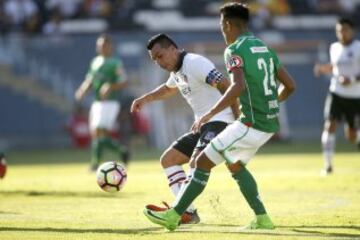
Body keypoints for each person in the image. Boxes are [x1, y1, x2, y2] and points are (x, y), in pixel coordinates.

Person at [143, 2, 296, 231]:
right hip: (269, 123)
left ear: (226, 24)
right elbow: (290, 86)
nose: (221, 31)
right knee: (236, 165)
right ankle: (262, 218)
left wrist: (211, 113)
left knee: (202, 161)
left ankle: (176, 214)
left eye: (220, 25)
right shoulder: (265, 48)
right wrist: (272, 104)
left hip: (250, 123)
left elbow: (236, 86)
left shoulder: (234, 50)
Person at [131, 33, 240, 224]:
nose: (158, 62)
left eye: (160, 55)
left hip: (221, 122)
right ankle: (188, 213)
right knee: (169, 159)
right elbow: (167, 89)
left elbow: (226, 85)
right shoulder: (177, 72)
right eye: (154, 59)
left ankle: (178, 210)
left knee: (196, 162)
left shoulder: (195, 63)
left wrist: (237, 120)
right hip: (204, 125)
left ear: (173, 49)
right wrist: (145, 98)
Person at [75, 34, 129, 171]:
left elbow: (124, 82)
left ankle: (95, 164)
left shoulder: (115, 62)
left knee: (100, 131)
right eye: (100, 45)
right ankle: (121, 150)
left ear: (111, 46)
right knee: (96, 133)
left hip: (111, 102)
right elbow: (90, 80)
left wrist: (110, 86)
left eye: (105, 45)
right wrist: (82, 90)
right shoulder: (95, 62)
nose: (102, 47)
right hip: (97, 102)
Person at [314, 17, 360, 176]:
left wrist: (352, 79)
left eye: (345, 30)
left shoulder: (358, 47)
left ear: (351, 30)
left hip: (355, 97)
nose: (342, 33)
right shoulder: (334, 47)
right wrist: (323, 69)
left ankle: (356, 136)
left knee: (352, 136)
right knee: (330, 125)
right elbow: (336, 67)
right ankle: (328, 166)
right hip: (336, 93)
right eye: (339, 31)